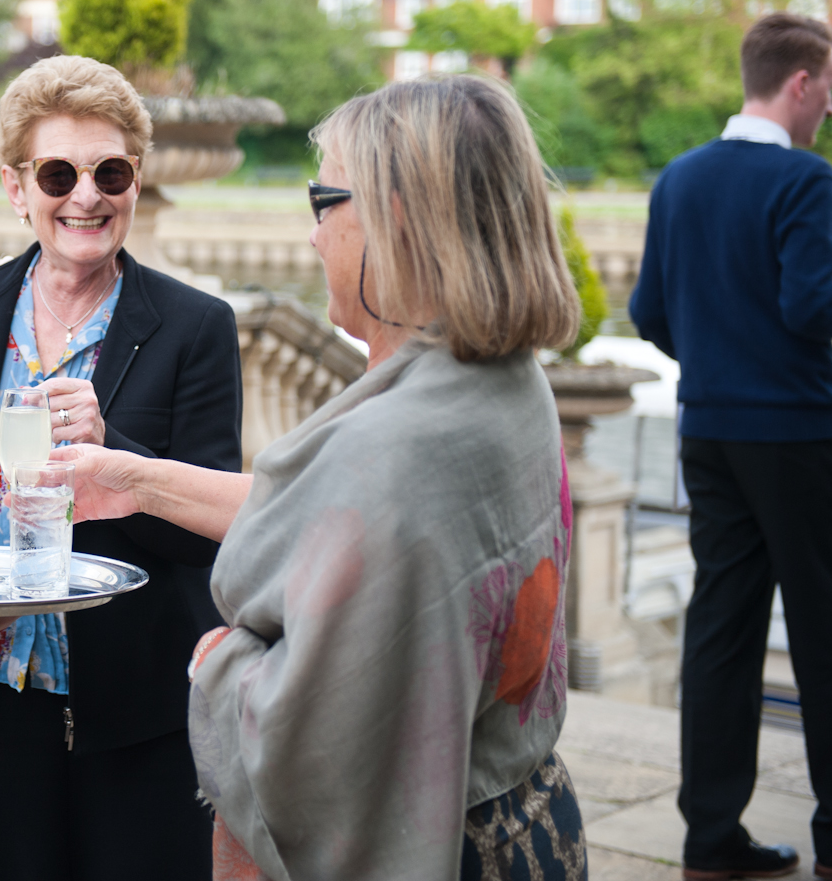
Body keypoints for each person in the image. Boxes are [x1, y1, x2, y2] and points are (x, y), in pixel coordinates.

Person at [56, 74, 586, 880]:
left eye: (321, 200)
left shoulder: (397, 449)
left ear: (397, 215)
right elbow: (325, 519)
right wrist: (133, 481)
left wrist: (217, 667)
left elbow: (312, 751)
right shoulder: (501, 382)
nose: (311, 236)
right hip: (529, 818)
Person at [0, 54, 243, 881]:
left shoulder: (194, 325)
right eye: (58, 173)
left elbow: (208, 540)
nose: (85, 195)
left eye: (110, 171)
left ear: (134, 181)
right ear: (17, 188)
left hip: (134, 710)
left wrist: (117, 449)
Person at [631, 12, 832, 881]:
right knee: (831, 634)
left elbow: (649, 314)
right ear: (798, 83)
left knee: (721, 630)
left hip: (710, 433)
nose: (828, 113)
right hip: (800, 435)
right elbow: (810, 310)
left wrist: (722, 359)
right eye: (829, 94)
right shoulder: (804, 179)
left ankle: (709, 840)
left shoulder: (679, 178)